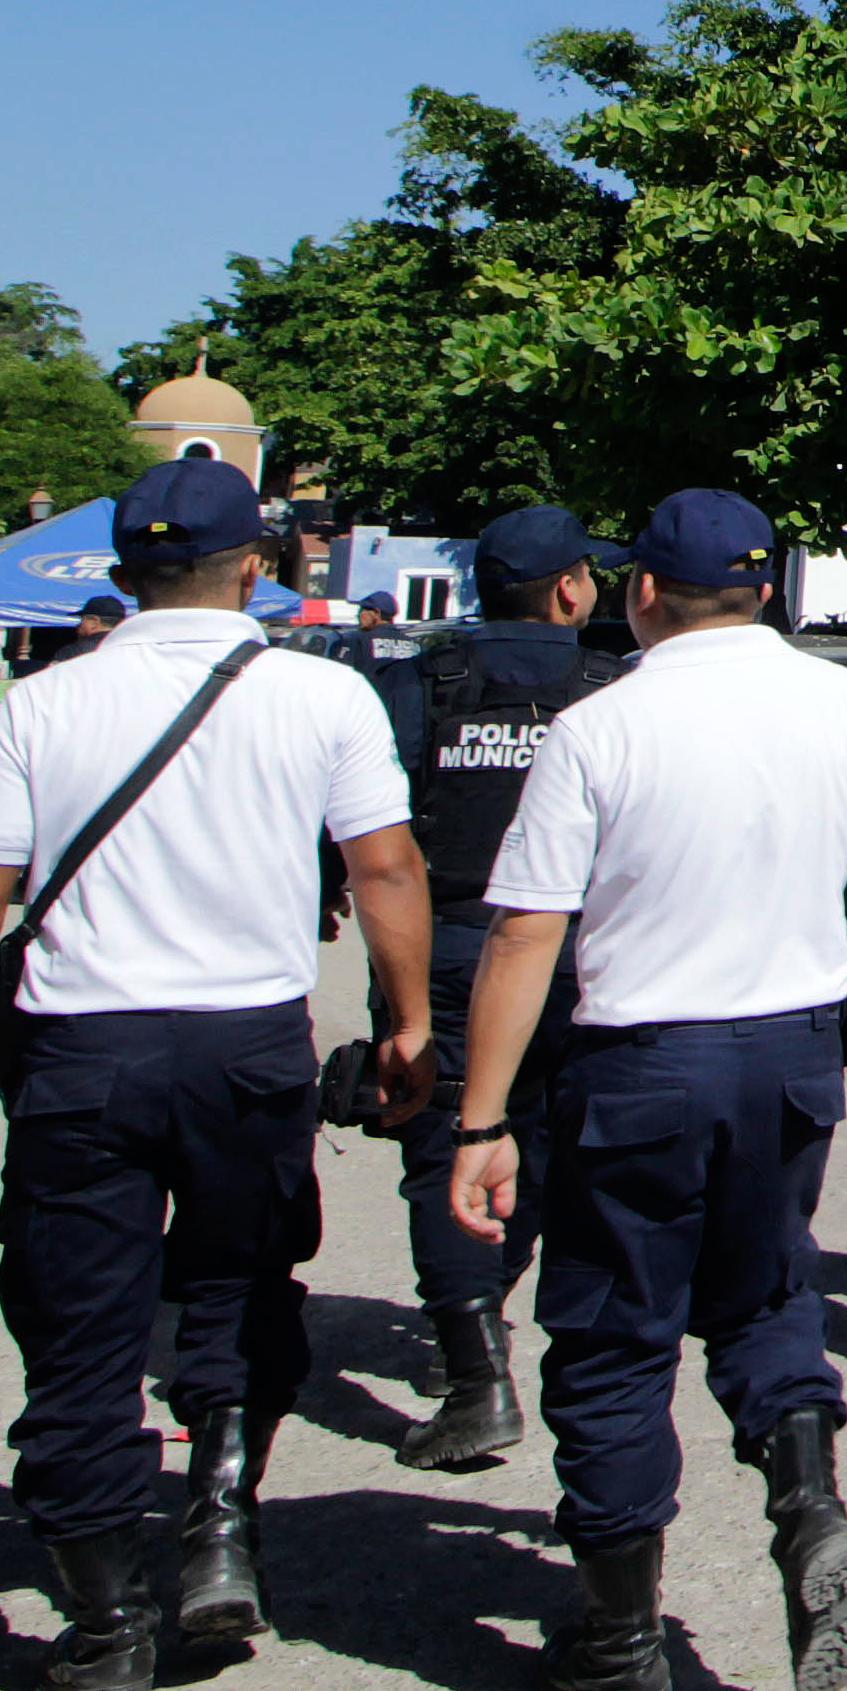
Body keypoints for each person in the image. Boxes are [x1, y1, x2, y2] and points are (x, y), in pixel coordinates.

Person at [0, 460, 431, 1691]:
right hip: (247, 1045)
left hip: (82, 1049)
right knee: (243, 1285)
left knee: (79, 1323)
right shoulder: (321, 695)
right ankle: (223, 1519)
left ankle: (102, 1624)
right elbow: (387, 866)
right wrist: (406, 1023)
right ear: (257, 565)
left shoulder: (42, 704)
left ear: (123, 573)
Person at [448, 491, 847, 1691]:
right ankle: (806, 1503)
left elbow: (528, 928)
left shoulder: (602, 723)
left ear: (637, 593)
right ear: (771, 589)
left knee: (616, 1337)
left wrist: (479, 1122)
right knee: (769, 1292)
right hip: (788, 1049)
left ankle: (623, 1647)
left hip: (639, 1060)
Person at [368, 503, 628, 1472]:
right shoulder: (608, 688)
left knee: (450, 1145)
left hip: (450, 945)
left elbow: (371, 836)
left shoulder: (421, 682)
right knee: (559, 1148)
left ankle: (475, 1359)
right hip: (575, 957)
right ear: (568, 587)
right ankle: (505, 1335)